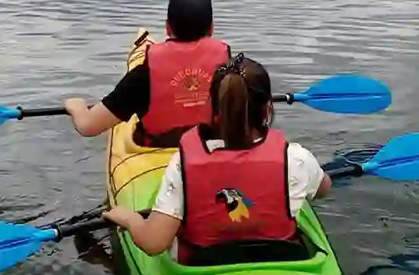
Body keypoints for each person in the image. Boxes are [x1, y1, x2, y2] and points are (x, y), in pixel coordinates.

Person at [103, 54, 331, 262]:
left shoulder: (184, 163)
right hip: (282, 261)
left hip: (204, 263)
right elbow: (323, 189)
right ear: (268, 108)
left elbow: (153, 243)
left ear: (215, 109)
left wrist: (130, 219)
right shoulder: (297, 159)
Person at [64, 0, 229, 146]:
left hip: (159, 150)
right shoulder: (234, 68)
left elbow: (88, 126)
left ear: (168, 28)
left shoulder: (144, 76)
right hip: (215, 146)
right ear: (211, 28)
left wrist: (76, 106)